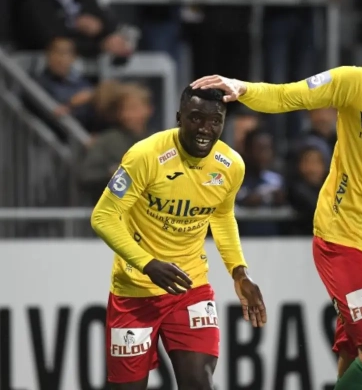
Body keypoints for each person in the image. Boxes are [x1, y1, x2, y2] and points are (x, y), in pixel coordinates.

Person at [192, 6, 362, 390]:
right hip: (342, 241)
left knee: (356, 356)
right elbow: (288, 96)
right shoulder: (357, 83)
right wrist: (242, 88)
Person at [91, 86, 267, 390]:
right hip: (134, 292)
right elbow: (103, 216)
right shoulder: (145, 155)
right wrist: (148, 264)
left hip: (190, 287)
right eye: (196, 118)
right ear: (179, 117)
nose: (205, 129)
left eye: (215, 121)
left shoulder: (231, 165)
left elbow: (222, 216)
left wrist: (239, 271)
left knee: (198, 381)